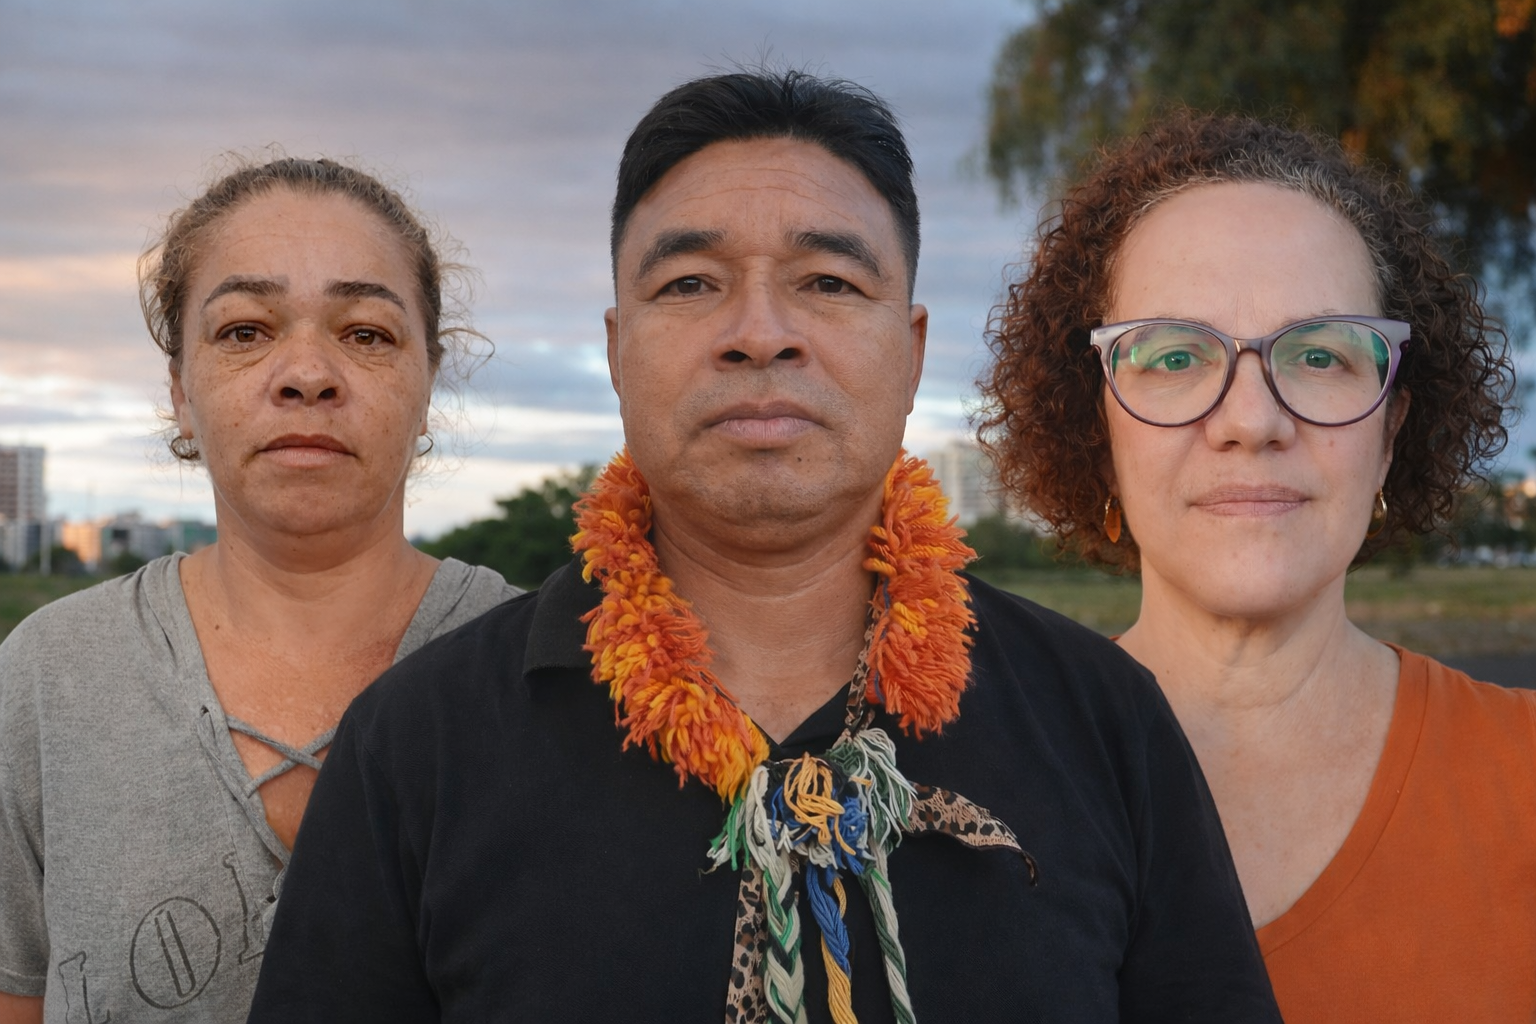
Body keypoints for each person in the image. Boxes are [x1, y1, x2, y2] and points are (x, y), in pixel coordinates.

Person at [247, 71, 1280, 1023]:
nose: (760, 331)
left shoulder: (1102, 721)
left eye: (828, 282)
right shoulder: (418, 747)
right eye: (692, 283)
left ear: (912, 350)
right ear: (616, 349)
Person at [977, 111, 1529, 1022]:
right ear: (1097, 431)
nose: (1250, 420)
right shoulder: (942, 805)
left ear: (1392, 433)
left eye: (1318, 354)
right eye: (1173, 355)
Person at [0, 157, 521, 1024]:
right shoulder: (47, 678)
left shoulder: (554, 675)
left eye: (366, 333)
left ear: (429, 383)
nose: (307, 374)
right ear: (179, 392)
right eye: (245, 330)